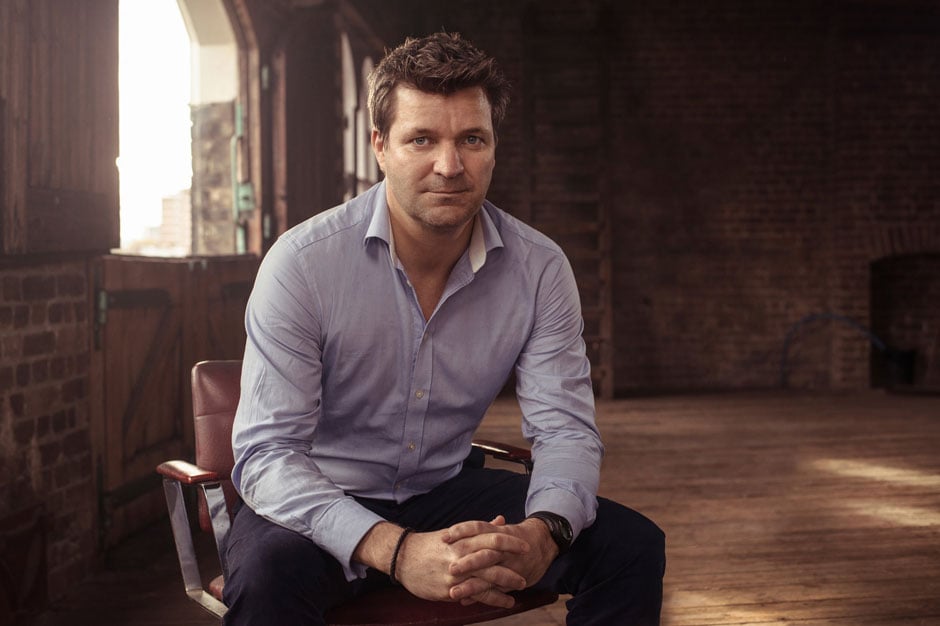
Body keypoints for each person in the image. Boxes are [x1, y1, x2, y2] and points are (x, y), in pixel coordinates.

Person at [223, 31, 665, 625]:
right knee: (266, 578)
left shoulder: (539, 268)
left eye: (471, 139)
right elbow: (266, 454)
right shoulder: (302, 264)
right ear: (380, 146)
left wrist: (546, 532)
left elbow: (564, 430)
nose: (450, 165)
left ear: (493, 145)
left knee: (631, 548)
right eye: (422, 139)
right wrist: (397, 551)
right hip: (321, 497)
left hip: (444, 491)